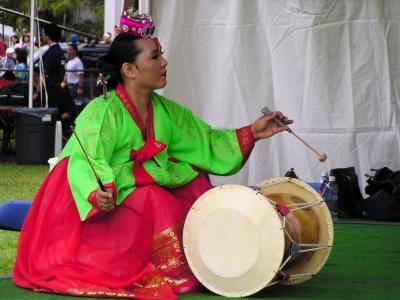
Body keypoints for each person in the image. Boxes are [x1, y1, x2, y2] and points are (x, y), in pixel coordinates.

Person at [13, 12, 292, 300]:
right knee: (153, 198)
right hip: (90, 194)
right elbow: (88, 160)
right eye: (155, 57)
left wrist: (253, 132)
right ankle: (174, 269)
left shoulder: (166, 111)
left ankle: (222, 257)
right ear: (130, 70)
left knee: (194, 185)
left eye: (162, 55)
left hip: (136, 184)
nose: (164, 62)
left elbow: (204, 140)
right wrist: (99, 193)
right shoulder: (103, 110)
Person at [40, 23, 74, 133]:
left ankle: (48, 139)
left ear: (48, 35)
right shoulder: (59, 51)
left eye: (44, 33)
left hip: (50, 91)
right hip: (58, 88)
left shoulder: (50, 53)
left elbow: (46, 73)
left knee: (48, 118)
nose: (42, 35)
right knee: (55, 117)